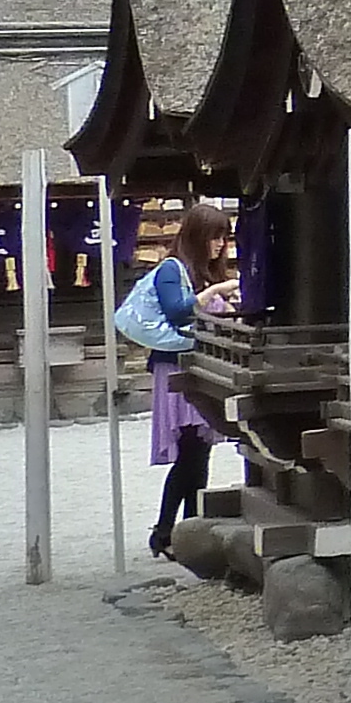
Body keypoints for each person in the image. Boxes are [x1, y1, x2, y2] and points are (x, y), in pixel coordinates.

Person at [127, 209, 239, 563]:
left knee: (199, 455)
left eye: (224, 238)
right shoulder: (172, 269)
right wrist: (218, 292)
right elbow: (178, 311)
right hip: (177, 369)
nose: (220, 245)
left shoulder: (206, 272)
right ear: (197, 236)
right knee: (189, 453)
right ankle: (166, 530)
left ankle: (189, 528)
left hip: (201, 366)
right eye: (214, 237)